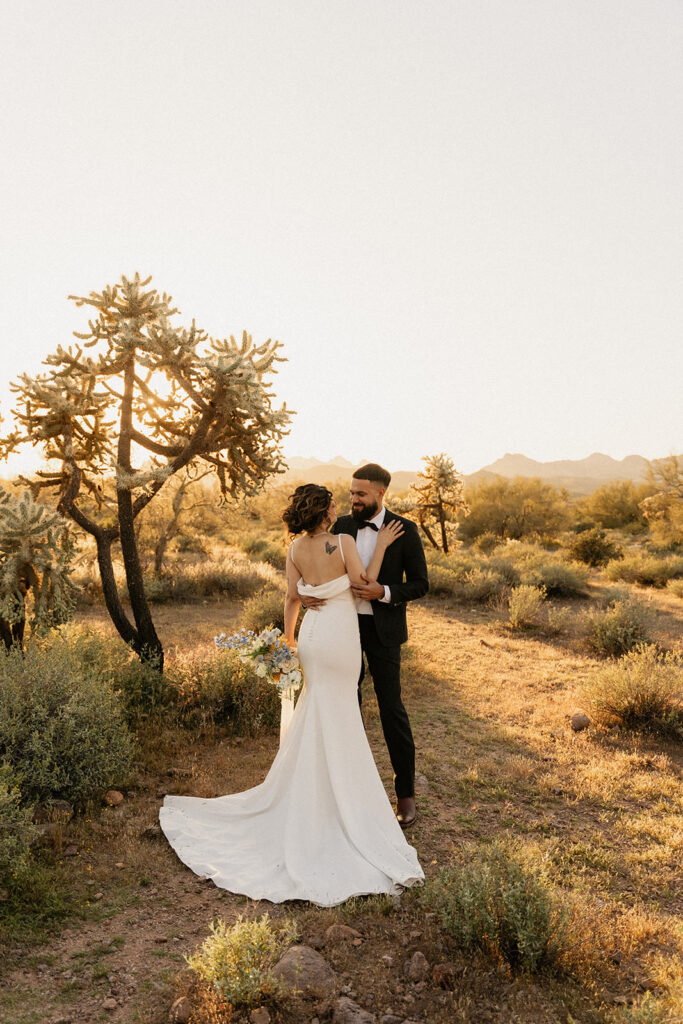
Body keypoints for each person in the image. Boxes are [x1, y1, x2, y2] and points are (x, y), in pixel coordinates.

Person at [159, 483, 424, 907]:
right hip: (340, 640)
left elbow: (291, 599)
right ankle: (339, 799)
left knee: (317, 710)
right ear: (324, 513)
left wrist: (289, 641)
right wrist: (383, 547)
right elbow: (364, 584)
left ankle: (313, 794)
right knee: (339, 713)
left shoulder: (294, 550)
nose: (340, 508)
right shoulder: (344, 541)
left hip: (314, 639)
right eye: (333, 504)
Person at [299, 464, 429, 829]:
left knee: (392, 709)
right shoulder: (340, 527)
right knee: (345, 707)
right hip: (341, 629)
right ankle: (347, 793)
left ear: (380, 494)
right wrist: (307, 595)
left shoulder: (405, 530)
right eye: (351, 493)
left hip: (383, 630)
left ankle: (405, 795)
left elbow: (420, 584)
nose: (353, 500)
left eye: (361, 494)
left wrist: (384, 593)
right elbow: (315, 568)